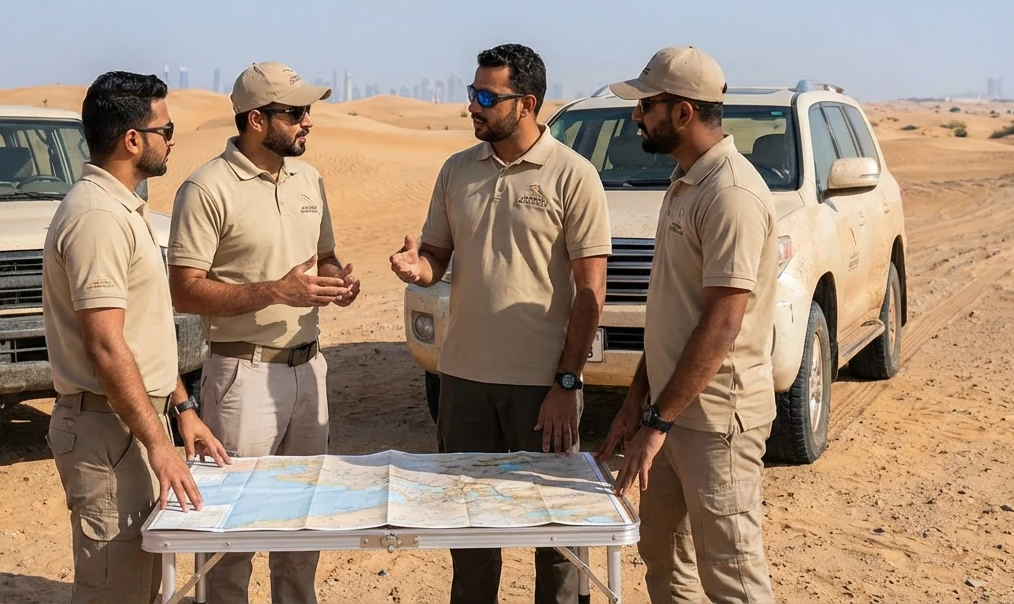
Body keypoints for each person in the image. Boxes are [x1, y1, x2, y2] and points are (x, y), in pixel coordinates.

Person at [390, 43, 611, 604]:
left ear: (527, 103)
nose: (474, 107)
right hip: (461, 380)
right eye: (472, 94)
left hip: (542, 387)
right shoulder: (456, 170)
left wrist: (567, 382)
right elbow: (437, 254)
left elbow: (590, 292)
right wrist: (418, 268)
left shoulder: (573, 176)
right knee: (470, 533)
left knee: (556, 536)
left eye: (488, 97)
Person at [167, 61, 360, 604]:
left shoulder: (309, 178)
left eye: (308, 112)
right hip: (241, 377)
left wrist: (338, 281)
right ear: (257, 119)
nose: (308, 123)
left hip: (310, 372)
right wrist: (275, 291)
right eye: (296, 112)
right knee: (231, 531)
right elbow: (183, 290)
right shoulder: (207, 187)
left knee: (304, 524)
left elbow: (323, 258)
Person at [594, 46, 778, 603]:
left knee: (732, 575)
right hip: (671, 414)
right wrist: (639, 401)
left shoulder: (732, 194)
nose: (635, 117)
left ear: (682, 113)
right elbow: (672, 312)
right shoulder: (687, 181)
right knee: (664, 560)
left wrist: (656, 425)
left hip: (716, 419)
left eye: (645, 105)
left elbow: (721, 323)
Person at [42, 71, 230, 604]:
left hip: (132, 419)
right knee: (114, 587)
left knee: (142, 585)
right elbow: (105, 346)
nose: (171, 140)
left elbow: (141, 332)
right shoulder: (98, 216)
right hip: (108, 428)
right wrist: (157, 444)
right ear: (132, 140)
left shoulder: (124, 207)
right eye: (166, 130)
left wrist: (181, 407)